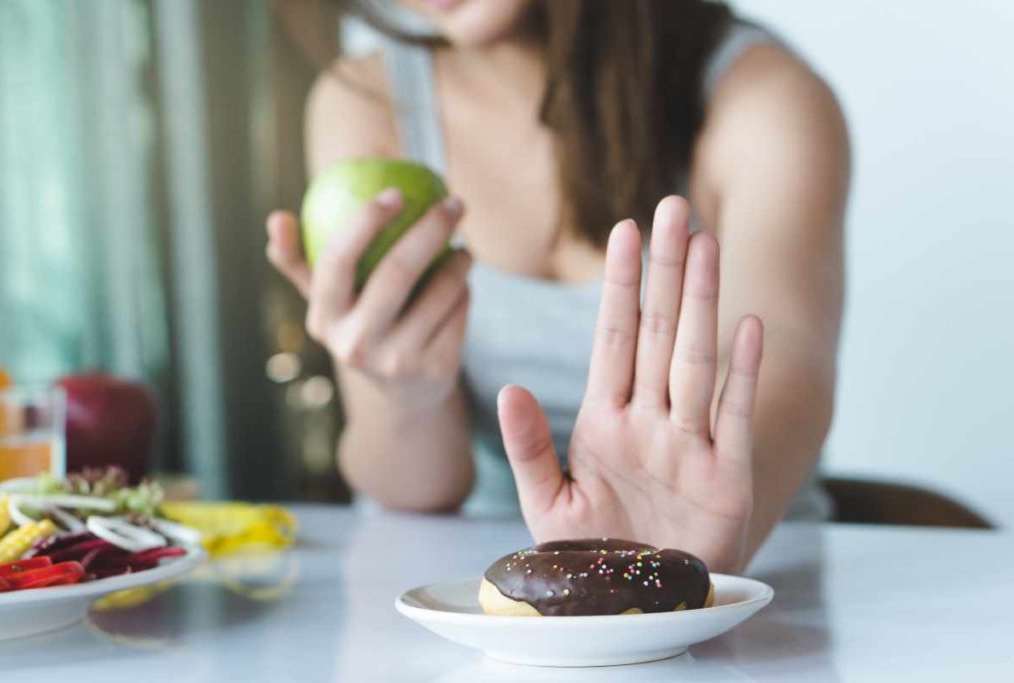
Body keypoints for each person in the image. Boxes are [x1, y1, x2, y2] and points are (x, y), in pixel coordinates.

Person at [266, 0, 848, 573]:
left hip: (751, 576)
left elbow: (788, 366)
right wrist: (400, 394)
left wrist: (688, 540)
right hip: (494, 588)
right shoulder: (367, 102)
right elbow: (422, 495)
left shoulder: (762, 95)